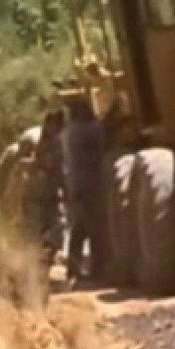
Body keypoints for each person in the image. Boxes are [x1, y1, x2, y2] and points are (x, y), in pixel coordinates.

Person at [63, 96, 106, 287]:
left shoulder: (69, 132)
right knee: (93, 228)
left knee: (79, 229)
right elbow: (100, 135)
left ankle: (74, 267)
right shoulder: (85, 130)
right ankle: (96, 268)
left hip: (76, 185)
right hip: (89, 185)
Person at [22, 111, 65, 273]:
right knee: (35, 233)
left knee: (53, 230)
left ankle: (40, 264)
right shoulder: (46, 143)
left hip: (47, 194)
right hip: (37, 194)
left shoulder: (50, 142)